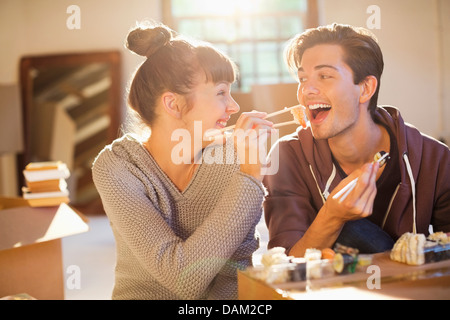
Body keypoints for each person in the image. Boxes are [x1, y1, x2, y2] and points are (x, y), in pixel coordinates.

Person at [92, 22, 274, 299]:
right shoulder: (117, 167)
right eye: (221, 92)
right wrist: (250, 178)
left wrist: (246, 171)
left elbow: (234, 275)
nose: (234, 107)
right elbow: (181, 277)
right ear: (173, 104)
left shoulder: (233, 159)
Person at [263, 23, 450, 257]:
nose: (306, 90)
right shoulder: (287, 157)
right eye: (302, 78)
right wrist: (333, 217)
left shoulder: (436, 159)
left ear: (365, 88)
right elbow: (286, 262)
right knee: (349, 230)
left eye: (324, 76)